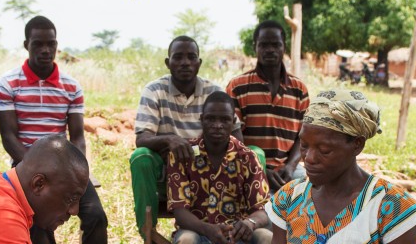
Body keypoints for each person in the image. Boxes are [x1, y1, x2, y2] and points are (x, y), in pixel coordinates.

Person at [130, 35, 261, 240]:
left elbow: (236, 137)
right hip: (169, 168)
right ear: (168, 62)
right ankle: (148, 230)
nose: (185, 63)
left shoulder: (213, 91)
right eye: (178, 57)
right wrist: (170, 140)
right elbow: (142, 138)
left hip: (210, 165)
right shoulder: (154, 90)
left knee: (255, 154)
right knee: (141, 157)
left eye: (191, 57)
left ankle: (247, 213)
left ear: (199, 63)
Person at [0, 15, 107, 244]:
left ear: (57, 44)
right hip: (27, 171)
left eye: (51, 44)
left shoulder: (71, 86)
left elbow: (77, 138)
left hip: (66, 167)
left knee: (96, 216)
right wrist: (37, 170)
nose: (46, 50)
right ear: (27, 45)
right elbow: (8, 137)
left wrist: (76, 173)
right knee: (39, 227)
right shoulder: (7, 84)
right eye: (38, 44)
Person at [265, 89, 416, 243]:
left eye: (324, 150)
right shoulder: (289, 197)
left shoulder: (391, 207)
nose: (309, 158)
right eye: (304, 145)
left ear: (357, 144)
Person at [166, 91, 272, 244]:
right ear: (202, 120)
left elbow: (261, 210)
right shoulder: (183, 155)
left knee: (266, 238)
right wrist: (208, 229)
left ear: (233, 121)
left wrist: (249, 223)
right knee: (186, 240)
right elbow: (180, 211)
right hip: (197, 230)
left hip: (238, 234)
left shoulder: (247, 157)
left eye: (224, 119)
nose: (217, 125)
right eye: (211, 119)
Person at [227, 21, 311, 192]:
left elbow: (304, 135)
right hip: (246, 167)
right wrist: (261, 169)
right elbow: (233, 137)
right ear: (255, 47)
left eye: (276, 45)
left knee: (304, 204)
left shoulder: (299, 89)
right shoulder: (238, 87)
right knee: (263, 213)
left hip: (287, 170)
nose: (270, 50)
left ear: (284, 47)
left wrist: (290, 166)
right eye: (264, 45)